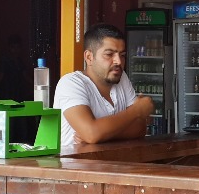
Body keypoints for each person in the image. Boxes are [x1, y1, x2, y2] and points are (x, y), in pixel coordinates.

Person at [53, 23, 153, 154]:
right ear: (89, 57)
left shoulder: (121, 77)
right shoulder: (71, 83)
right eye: (109, 54)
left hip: (112, 163)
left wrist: (101, 135)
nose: (118, 61)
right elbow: (91, 133)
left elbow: (140, 128)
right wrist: (136, 111)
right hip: (73, 165)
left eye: (122, 55)